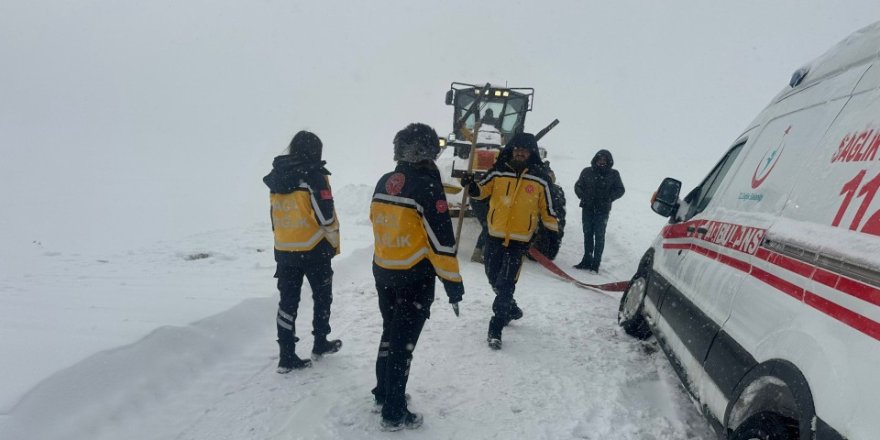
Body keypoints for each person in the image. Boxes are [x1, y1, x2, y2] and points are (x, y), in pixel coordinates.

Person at [370, 122, 464, 431]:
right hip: (414, 278)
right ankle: (394, 412)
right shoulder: (426, 186)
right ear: (429, 151)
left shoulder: (384, 181)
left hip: (384, 270)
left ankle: (383, 392)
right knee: (403, 345)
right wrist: (453, 284)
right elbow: (441, 243)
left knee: (390, 334)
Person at [461, 132, 559, 350]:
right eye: (517, 149)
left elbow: (548, 209)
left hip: (519, 241)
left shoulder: (540, 179)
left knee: (506, 283)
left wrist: (552, 232)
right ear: (512, 150)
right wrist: (471, 185)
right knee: (492, 276)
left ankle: (496, 325)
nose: (521, 153)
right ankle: (511, 309)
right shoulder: (497, 172)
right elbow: (480, 192)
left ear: (531, 153)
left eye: (525, 150)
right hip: (494, 235)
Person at [263, 130, 342, 373]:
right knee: (322, 297)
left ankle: (286, 355)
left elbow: (274, 215)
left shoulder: (277, 176)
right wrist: (331, 236)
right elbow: (325, 216)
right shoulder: (315, 176)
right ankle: (320, 342)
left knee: (287, 302)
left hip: (284, 249)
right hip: (314, 249)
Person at [573, 149, 625, 273]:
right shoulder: (586, 171)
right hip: (587, 208)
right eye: (599, 159)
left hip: (602, 210)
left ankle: (595, 264)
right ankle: (586, 260)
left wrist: (609, 198)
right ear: (595, 159)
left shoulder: (614, 174)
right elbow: (578, 185)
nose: (601, 162)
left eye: (604, 160)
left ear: (609, 161)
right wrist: (582, 195)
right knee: (588, 233)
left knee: (599, 236)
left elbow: (620, 189)